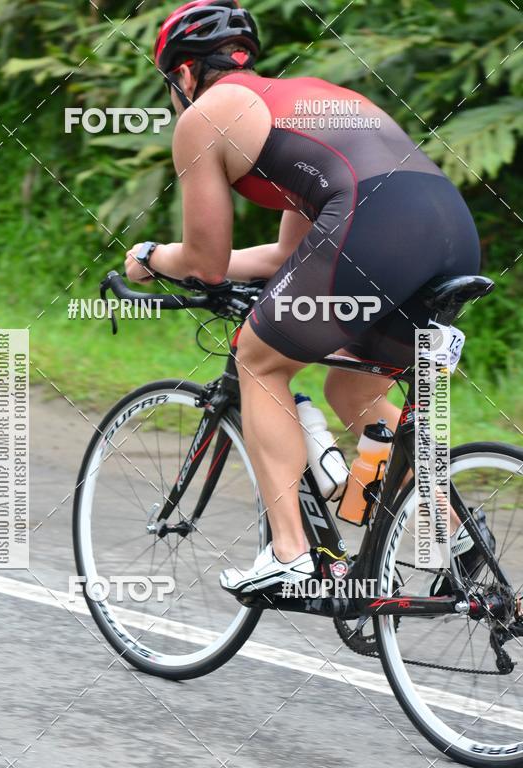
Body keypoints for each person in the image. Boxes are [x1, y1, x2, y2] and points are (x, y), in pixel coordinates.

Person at [124, 0, 482, 593]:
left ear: (183, 76)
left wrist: (151, 258)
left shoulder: (201, 118)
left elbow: (207, 264)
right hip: (447, 232)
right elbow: (291, 257)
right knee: (353, 384)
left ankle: (291, 553)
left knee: (260, 361)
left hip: (374, 231)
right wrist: (185, 264)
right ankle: (459, 541)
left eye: (170, 85)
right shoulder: (303, 99)